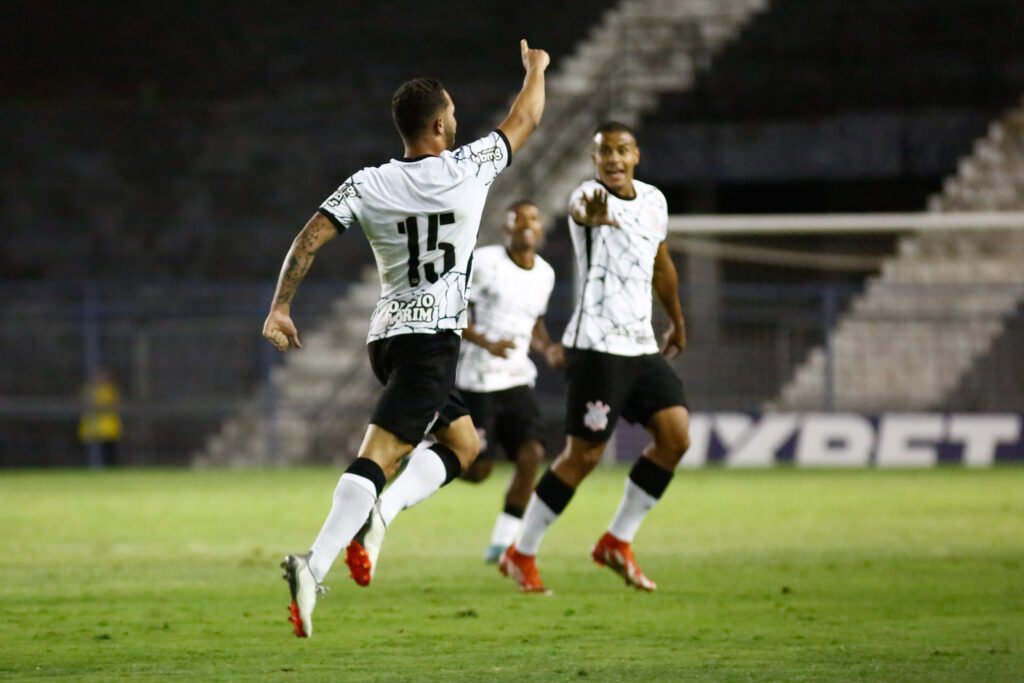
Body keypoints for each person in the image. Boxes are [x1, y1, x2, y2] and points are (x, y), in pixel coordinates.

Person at [263, 39, 550, 638]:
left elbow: (308, 238)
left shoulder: (368, 182)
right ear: (442, 124)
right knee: (381, 456)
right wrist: (536, 69)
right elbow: (526, 117)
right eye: (453, 118)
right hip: (432, 342)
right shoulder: (470, 166)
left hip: (387, 339)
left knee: (466, 448)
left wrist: (282, 306)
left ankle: (381, 516)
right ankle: (313, 566)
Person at [499, 121, 691, 594]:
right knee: (583, 455)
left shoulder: (654, 202)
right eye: (604, 152)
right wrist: (598, 216)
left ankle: (616, 541)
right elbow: (586, 211)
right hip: (597, 348)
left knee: (675, 438)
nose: (613, 159)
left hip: (641, 345)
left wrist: (677, 321)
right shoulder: (586, 196)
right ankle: (520, 552)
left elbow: (662, 265)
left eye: (622, 151)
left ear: (636, 155)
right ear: (594, 160)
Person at [455, 200, 562, 563]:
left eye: (533, 218)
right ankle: (425, 456)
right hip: (478, 379)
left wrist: (546, 347)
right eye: (518, 220)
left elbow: (535, 324)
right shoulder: (484, 263)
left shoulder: (545, 274)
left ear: (540, 228)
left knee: (531, 454)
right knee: (478, 470)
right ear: (507, 229)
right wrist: (486, 342)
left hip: (517, 378)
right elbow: (451, 310)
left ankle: (503, 543)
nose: (527, 225)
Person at [78, 367, 122, 468]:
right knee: (91, 454)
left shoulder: (111, 390)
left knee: (109, 455)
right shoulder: (89, 390)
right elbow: (85, 405)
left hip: (108, 429)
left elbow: (115, 405)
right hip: (91, 429)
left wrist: (100, 407)